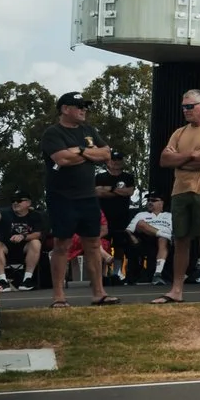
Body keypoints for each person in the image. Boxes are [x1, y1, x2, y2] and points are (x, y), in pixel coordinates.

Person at [40, 91, 115, 306]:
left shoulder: (88, 130)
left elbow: (106, 154)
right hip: (62, 197)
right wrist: (89, 152)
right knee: (62, 245)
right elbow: (62, 159)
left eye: (85, 106)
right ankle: (58, 297)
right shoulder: (53, 133)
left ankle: (99, 293)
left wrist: (80, 151)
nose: (84, 110)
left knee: (92, 244)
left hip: (88, 197)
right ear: (65, 109)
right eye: (79, 106)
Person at [155, 88, 200, 302]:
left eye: (190, 106)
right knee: (181, 241)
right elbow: (164, 161)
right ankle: (176, 291)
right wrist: (189, 155)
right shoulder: (179, 133)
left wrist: (179, 161)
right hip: (180, 192)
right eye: (183, 107)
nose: (185, 110)